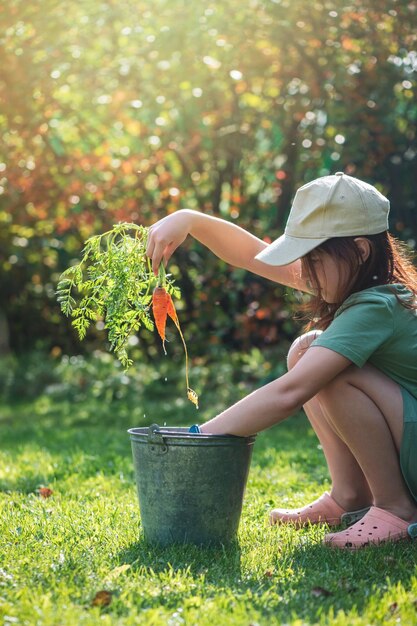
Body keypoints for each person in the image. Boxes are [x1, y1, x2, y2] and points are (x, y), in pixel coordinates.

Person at [146, 171, 417, 549]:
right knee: (307, 348)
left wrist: (199, 437)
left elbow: (291, 392)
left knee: (327, 373)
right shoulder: (354, 277)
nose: (305, 273)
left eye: (314, 259)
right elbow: (252, 256)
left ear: (359, 250)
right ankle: (349, 497)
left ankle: (396, 508)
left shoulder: (375, 304)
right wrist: (190, 219)